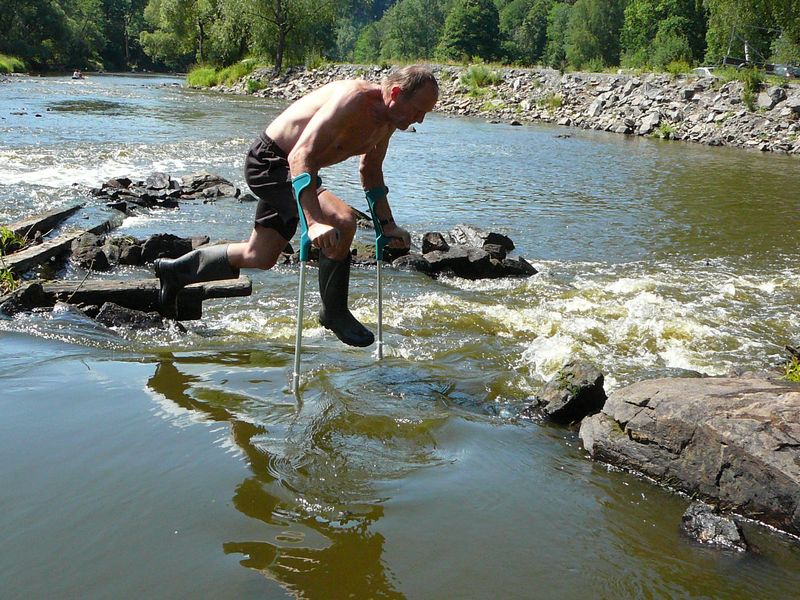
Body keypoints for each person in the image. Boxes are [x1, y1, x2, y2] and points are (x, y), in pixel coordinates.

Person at [154, 65, 439, 347]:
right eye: (418, 110)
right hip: (272, 163)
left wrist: (387, 225)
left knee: (259, 255)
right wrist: (313, 222)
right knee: (342, 219)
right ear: (397, 93)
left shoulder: (388, 120)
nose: (421, 120)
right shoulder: (355, 99)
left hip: (297, 173)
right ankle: (334, 312)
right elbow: (301, 156)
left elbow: (371, 171)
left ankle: (175, 272)